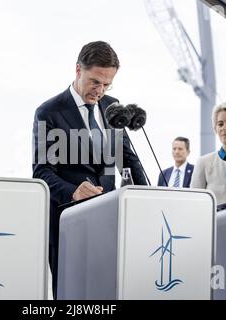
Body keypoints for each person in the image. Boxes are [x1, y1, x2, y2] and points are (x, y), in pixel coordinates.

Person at [32, 41, 147, 298]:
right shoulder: (49, 112)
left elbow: (128, 159)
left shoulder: (112, 106)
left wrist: (148, 197)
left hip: (110, 219)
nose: (100, 90)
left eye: (107, 84)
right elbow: (42, 172)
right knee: (71, 292)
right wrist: (74, 192)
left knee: (108, 291)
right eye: (95, 82)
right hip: (68, 221)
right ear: (77, 70)